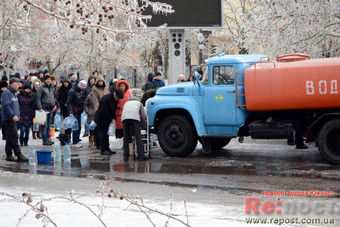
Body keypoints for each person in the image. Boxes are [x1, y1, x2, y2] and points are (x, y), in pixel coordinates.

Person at [1, 77, 28, 162]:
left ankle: (9, 154)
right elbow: (6, 106)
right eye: (17, 83)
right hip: (9, 118)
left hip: (13, 118)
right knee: (14, 136)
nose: (18, 85)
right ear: (12, 83)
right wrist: (13, 115)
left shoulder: (13, 93)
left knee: (10, 136)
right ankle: (18, 154)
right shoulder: (6, 93)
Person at [94, 88, 124, 155]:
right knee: (103, 135)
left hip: (108, 119)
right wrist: (111, 119)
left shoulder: (115, 100)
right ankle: (103, 150)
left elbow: (113, 110)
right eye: (118, 98)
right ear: (115, 95)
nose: (118, 99)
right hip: (101, 119)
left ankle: (107, 149)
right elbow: (103, 111)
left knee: (106, 135)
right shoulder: (106, 99)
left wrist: (114, 118)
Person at [36, 74, 56, 146]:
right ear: (44, 80)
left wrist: (54, 103)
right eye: (47, 79)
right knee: (44, 125)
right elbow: (38, 99)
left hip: (51, 108)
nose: (48, 81)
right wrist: (40, 108)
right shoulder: (41, 88)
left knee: (49, 124)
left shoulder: (52, 87)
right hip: (44, 108)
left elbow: (54, 96)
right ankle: (45, 140)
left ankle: (48, 139)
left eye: (49, 79)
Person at [67, 80, 87, 148]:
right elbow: (69, 102)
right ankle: (75, 142)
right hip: (74, 112)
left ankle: (77, 140)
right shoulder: (72, 91)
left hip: (79, 111)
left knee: (79, 127)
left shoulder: (80, 91)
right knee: (75, 127)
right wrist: (70, 112)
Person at [92, 75, 109, 149]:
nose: (100, 82)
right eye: (99, 81)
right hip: (99, 110)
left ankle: (106, 144)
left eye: (101, 81)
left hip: (106, 109)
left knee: (106, 129)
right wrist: (98, 110)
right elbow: (95, 100)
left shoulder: (106, 87)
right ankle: (99, 143)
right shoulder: (94, 89)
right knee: (99, 129)